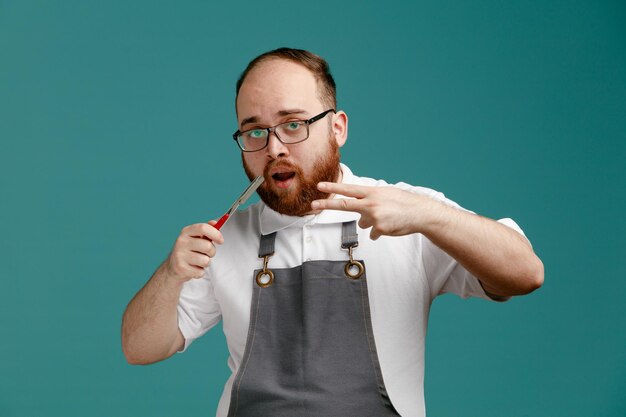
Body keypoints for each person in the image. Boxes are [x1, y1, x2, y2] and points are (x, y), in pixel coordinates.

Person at [121, 47, 544, 417]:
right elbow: (139, 348)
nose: (274, 148)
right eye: (255, 132)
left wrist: (427, 215)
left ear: (337, 127)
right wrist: (172, 273)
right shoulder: (225, 240)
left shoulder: (407, 211)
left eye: (293, 124)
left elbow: (525, 274)